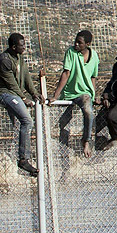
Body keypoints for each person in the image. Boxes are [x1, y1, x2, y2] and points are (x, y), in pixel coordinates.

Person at [0, 32, 42, 176]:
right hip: (5, 94)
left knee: (24, 122)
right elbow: (11, 84)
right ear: (14, 47)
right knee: (26, 120)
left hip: (16, 95)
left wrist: (33, 93)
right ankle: (23, 159)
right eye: (21, 46)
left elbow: (26, 76)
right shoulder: (5, 60)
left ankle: (25, 156)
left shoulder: (19, 57)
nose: (24, 48)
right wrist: (23, 97)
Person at [49, 29, 99, 158]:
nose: (76, 45)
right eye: (75, 41)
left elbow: (93, 77)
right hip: (70, 93)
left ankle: (86, 140)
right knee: (60, 126)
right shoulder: (71, 53)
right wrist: (56, 95)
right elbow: (66, 73)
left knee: (88, 111)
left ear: (87, 44)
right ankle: (61, 149)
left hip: (85, 93)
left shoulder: (94, 56)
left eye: (80, 43)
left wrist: (94, 94)